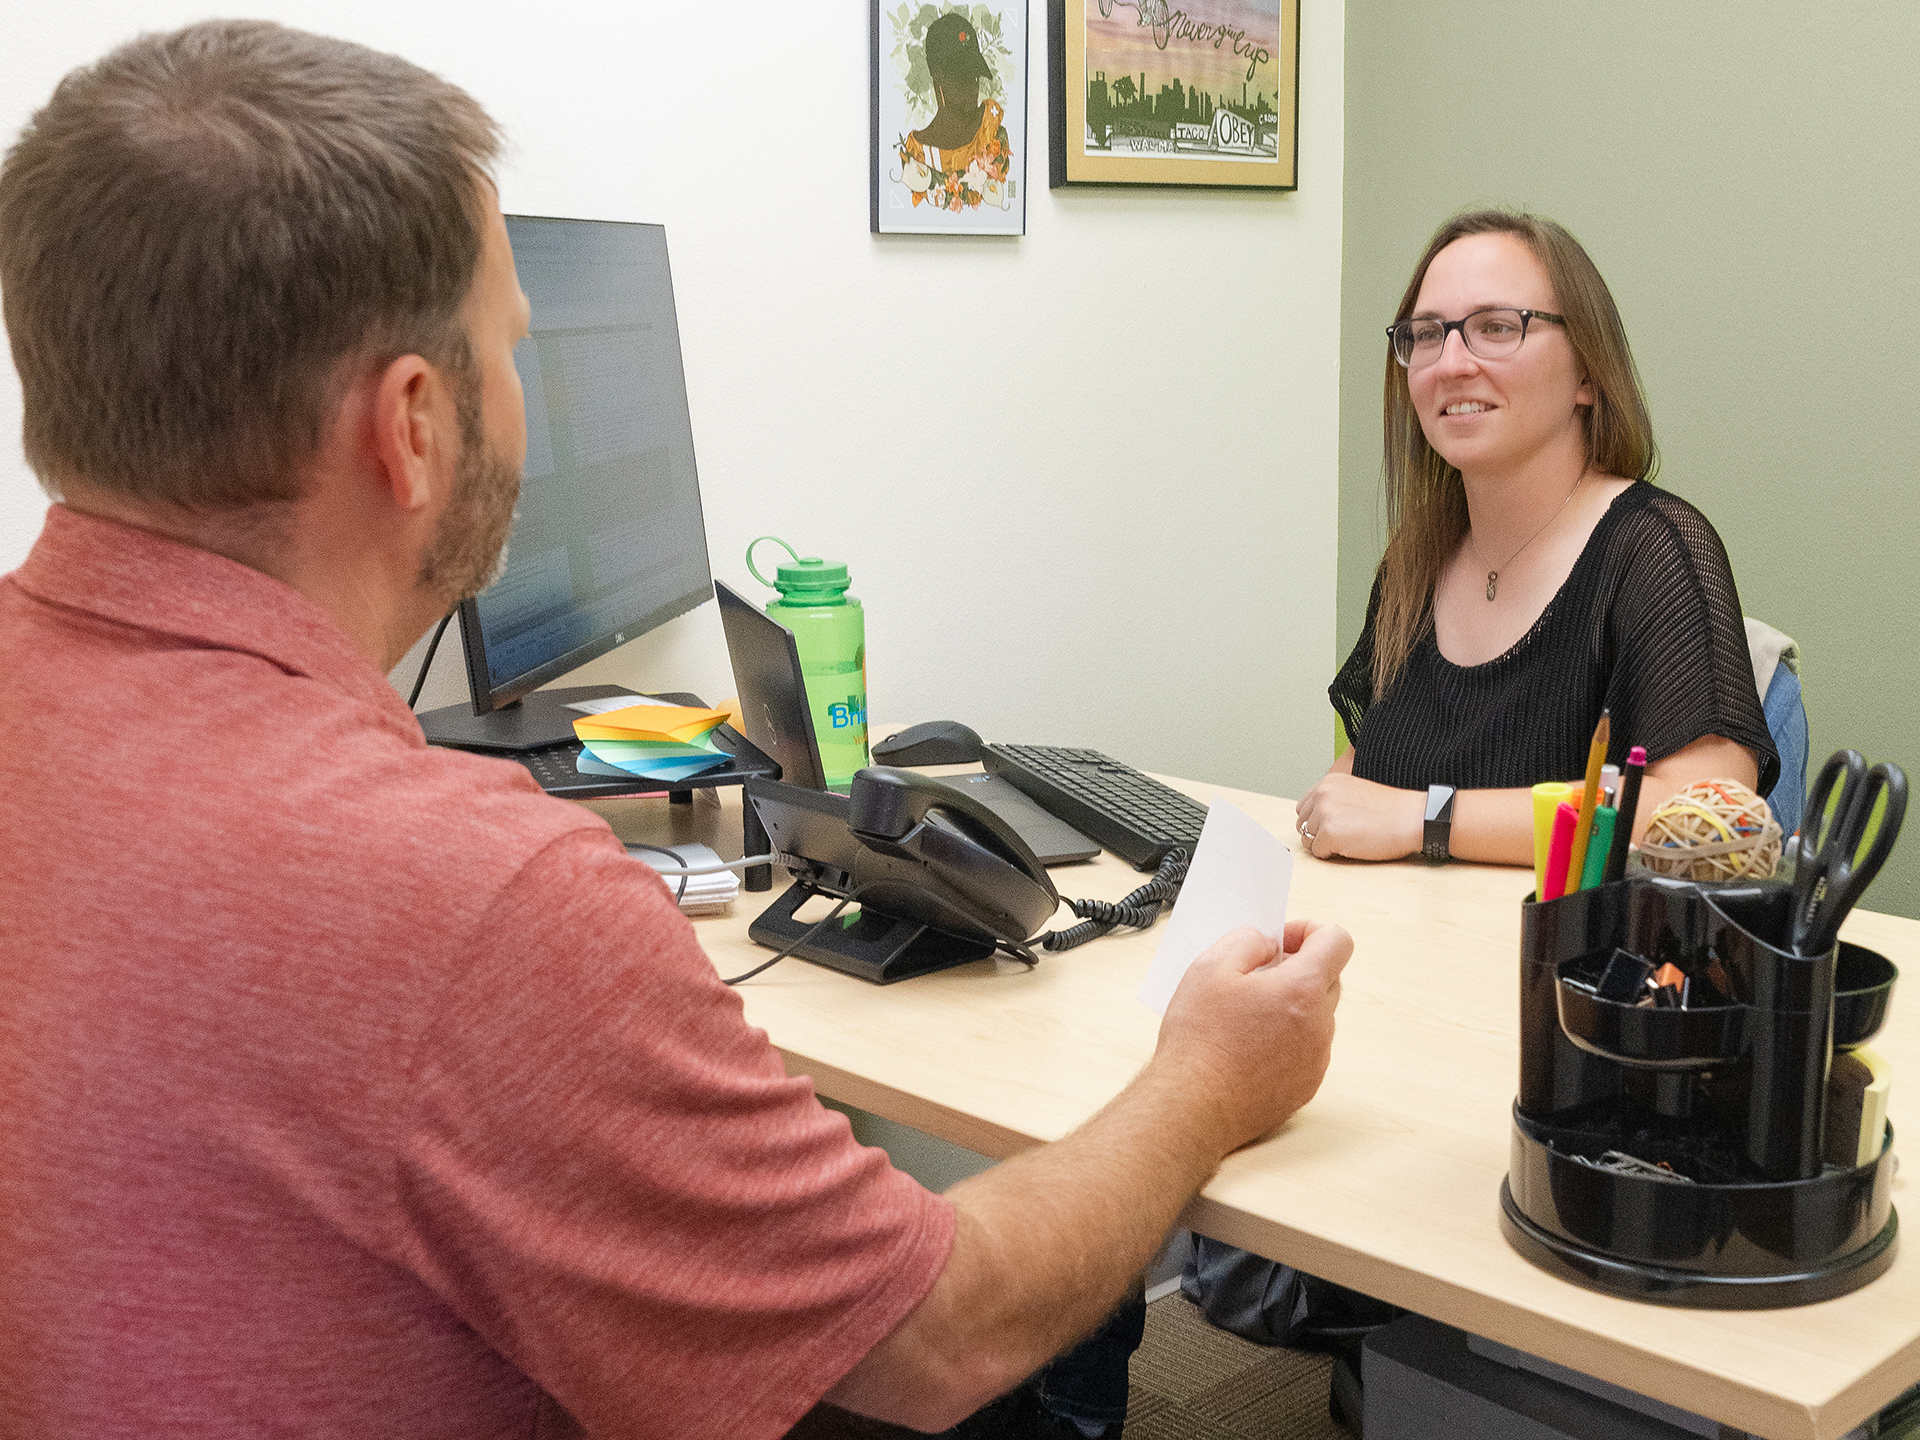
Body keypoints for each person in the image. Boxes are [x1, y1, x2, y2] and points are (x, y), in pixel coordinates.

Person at [0, 22, 1351, 1440]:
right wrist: (1207, 1078)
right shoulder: (480, 905)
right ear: (411, 425)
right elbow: (943, 1337)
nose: (526, 395)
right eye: (516, 348)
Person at [1294, 209, 1777, 865]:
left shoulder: (1657, 548)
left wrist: (1426, 818)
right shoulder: (1416, 561)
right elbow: (1362, 772)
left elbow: (1701, 811)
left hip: (1559, 960)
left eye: (1496, 328)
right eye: (1428, 335)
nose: (1452, 363)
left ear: (1586, 372)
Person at [898, 12, 1014, 213]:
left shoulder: (992, 132)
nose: (971, 85)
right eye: (960, 76)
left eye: (974, 74)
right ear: (937, 74)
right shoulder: (917, 154)